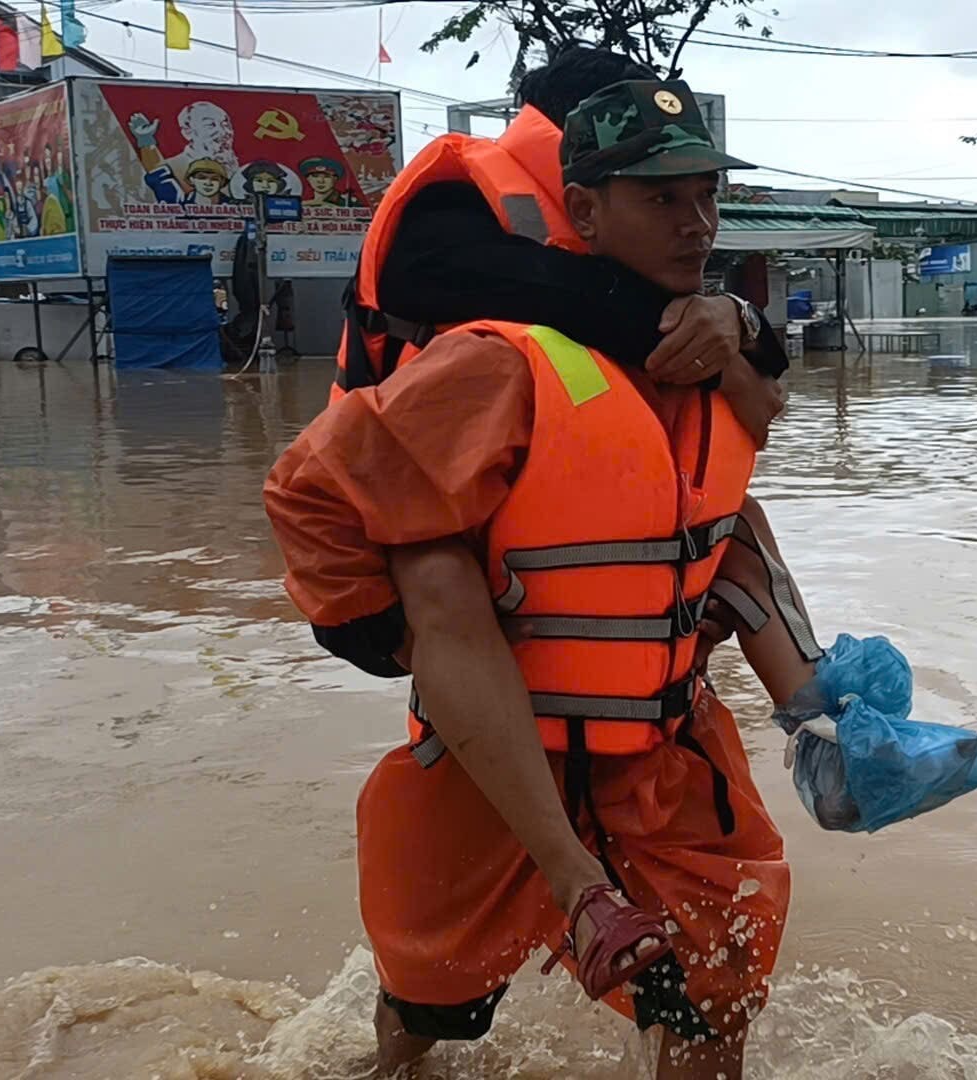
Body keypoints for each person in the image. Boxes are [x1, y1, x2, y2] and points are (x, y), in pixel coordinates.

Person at [265, 79, 817, 1079]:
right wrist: (382, 630)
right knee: (424, 1013)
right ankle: (545, 908)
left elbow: (731, 520)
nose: (695, 224)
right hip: (495, 759)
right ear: (585, 208)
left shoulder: (714, 356)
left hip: (663, 751)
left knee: (713, 1010)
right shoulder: (499, 361)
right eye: (661, 199)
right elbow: (311, 489)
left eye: (706, 196)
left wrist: (827, 720)